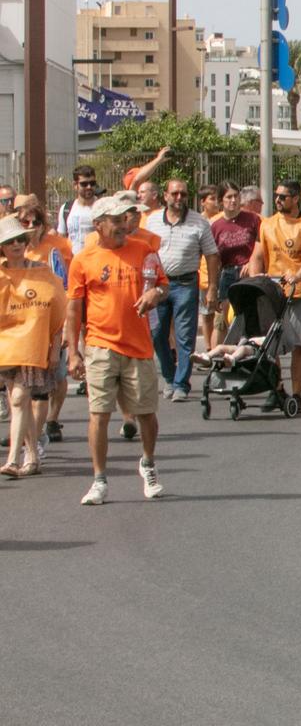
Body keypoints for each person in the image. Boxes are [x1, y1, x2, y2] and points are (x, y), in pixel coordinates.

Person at [64, 193, 166, 503]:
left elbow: (163, 284)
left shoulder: (145, 251)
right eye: (116, 220)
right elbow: (73, 308)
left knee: (146, 413)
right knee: (99, 413)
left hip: (138, 346)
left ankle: (148, 463)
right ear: (98, 225)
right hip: (100, 344)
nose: (123, 225)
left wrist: (155, 295)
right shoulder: (83, 259)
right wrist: (73, 351)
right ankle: (99, 480)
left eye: (126, 219)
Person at [244, 178, 301, 411]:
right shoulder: (267, 224)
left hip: (300, 292)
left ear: (295, 198)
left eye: (283, 197)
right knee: (269, 345)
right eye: (276, 196)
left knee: (299, 344)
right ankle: (276, 389)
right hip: (273, 292)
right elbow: (258, 256)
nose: (278, 200)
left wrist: (298, 275)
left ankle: (297, 394)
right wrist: (255, 280)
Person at [143, 177, 220, 402]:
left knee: (185, 337)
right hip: (159, 286)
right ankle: (169, 376)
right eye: (175, 194)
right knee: (157, 334)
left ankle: (181, 384)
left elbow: (212, 255)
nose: (179, 198)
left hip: (186, 284)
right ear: (165, 196)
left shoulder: (199, 223)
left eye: (183, 194)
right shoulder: (153, 221)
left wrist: (213, 287)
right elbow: (146, 253)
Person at [0, 215, 62, 476]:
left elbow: (59, 312)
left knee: (18, 399)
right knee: (20, 404)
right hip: (8, 347)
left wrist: (56, 348)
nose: (16, 244)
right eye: (9, 241)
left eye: (19, 239)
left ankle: (13, 459)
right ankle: (33, 457)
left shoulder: (42, 272)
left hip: (34, 346)